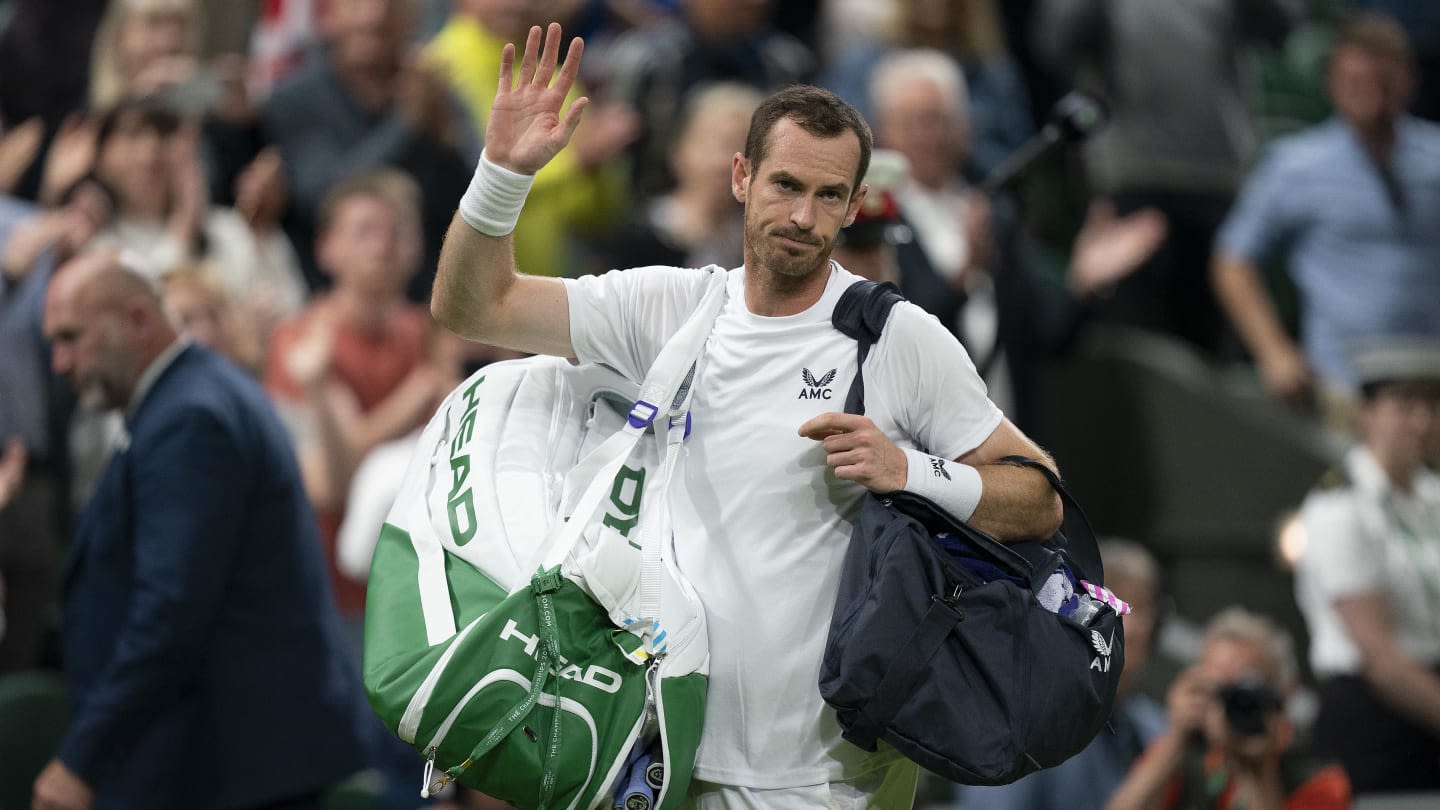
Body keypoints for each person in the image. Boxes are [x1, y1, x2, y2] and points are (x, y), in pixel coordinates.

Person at [429, 22, 1064, 806]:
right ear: (740, 175)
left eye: (830, 196)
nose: (804, 216)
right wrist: (502, 172)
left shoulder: (894, 336)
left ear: (855, 202)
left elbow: (1039, 496)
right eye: (786, 186)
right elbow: (472, 305)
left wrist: (914, 474)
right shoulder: (671, 304)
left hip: (829, 779)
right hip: (663, 756)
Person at [33, 249, 371, 810]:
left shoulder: (190, 418)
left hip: (235, 766)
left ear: (137, 320)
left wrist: (82, 759)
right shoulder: (197, 394)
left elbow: (170, 612)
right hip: (238, 754)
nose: (61, 362)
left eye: (71, 337)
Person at [1033, 0, 1299, 358]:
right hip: (1131, 181)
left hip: (1216, 182)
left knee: (1212, 360)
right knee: (1139, 352)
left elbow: (1282, 27)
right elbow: (1054, 41)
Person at [1211, 11, 1440, 420]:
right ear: (1331, 85)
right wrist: (1274, 351)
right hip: (1346, 389)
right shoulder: (1296, 166)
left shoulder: (1435, 159)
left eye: (1382, 84)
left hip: (1431, 381)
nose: (1370, 96)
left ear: (1409, 81)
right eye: (1355, 83)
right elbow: (1232, 261)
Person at [1294, 338, 1440, 793]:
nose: (1423, 421)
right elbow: (1379, 657)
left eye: (1432, 405)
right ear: (1367, 413)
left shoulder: (1431, 496)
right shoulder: (1340, 505)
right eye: (1405, 404)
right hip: (1376, 717)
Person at [951, 538, 1168, 809]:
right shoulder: (1025, 722)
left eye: (1140, 607)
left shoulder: (1156, 727)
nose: (1132, 627)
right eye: (1115, 604)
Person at [1105, 607, 1350, 810]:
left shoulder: (1318, 780)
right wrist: (1176, 736)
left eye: (1245, 691)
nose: (1231, 706)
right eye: (1218, 690)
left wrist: (1258, 771)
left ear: (1283, 695)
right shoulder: (1185, 761)